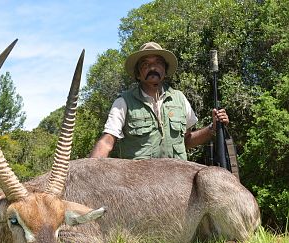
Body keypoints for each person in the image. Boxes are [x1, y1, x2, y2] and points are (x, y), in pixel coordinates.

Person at [89, 42, 229, 160]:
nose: (152, 68)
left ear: (165, 70)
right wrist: (90, 171)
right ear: (138, 74)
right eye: (145, 64)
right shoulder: (123, 102)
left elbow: (186, 140)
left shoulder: (179, 98)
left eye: (158, 63)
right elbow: (107, 142)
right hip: (139, 184)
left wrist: (213, 128)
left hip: (177, 179)